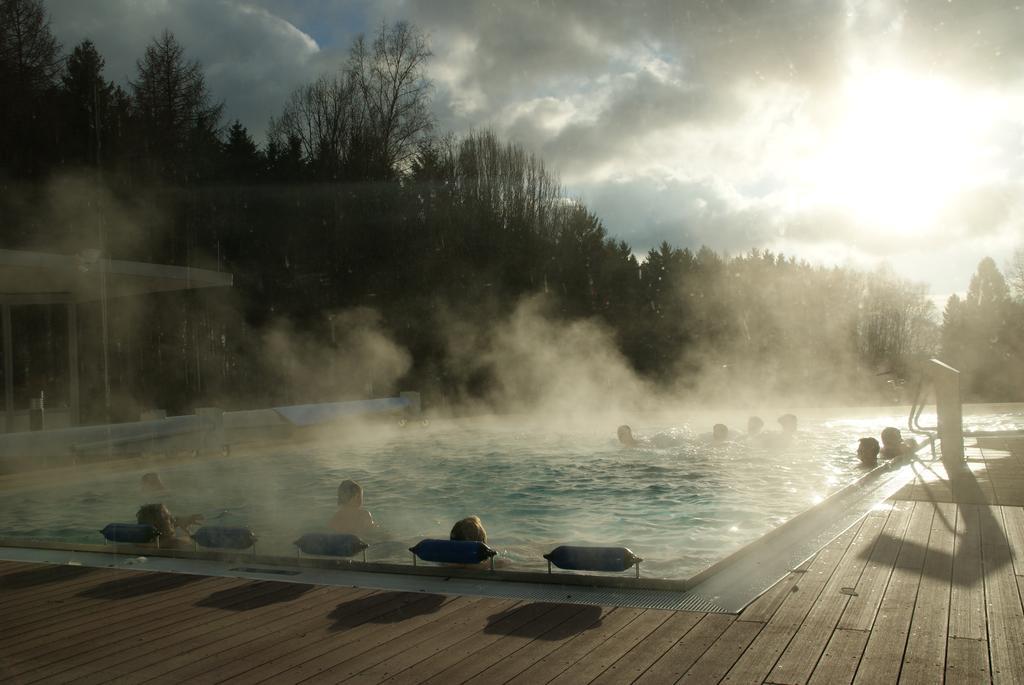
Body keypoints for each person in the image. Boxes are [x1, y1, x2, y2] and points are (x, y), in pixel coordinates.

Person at [136, 503, 203, 547]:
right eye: (167, 518)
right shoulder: (176, 542)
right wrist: (188, 531)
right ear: (155, 525)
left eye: (171, 517)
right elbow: (198, 544)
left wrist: (176, 524)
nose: (173, 520)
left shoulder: (143, 544)